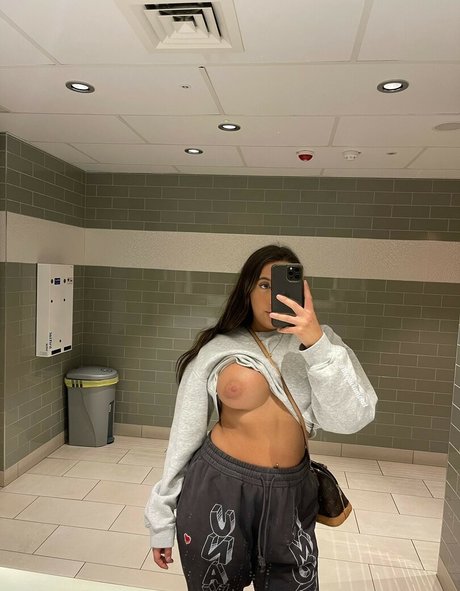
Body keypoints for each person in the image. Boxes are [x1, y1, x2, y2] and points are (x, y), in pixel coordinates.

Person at [145, 244, 377, 591]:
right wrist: (161, 516)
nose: (274, 296)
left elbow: (353, 418)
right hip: (219, 487)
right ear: (247, 289)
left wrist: (315, 342)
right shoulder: (218, 347)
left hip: (291, 492)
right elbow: (184, 433)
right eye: (264, 285)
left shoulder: (322, 343)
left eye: (284, 284)